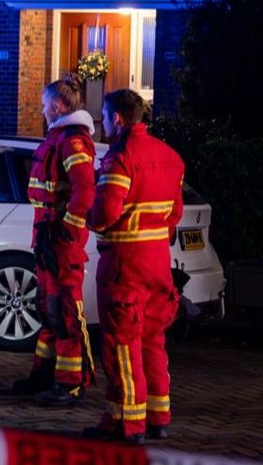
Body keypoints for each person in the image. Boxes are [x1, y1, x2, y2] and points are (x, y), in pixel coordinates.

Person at [83, 90, 184, 444]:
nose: (103, 123)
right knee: (152, 340)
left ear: (119, 119)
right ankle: (159, 417)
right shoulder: (170, 156)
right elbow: (174, 214)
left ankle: (127, 423)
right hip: (158, 263)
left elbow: (105, 214)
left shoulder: (120, 159)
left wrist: (87, 216)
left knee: (122, 344)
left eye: (106, 116)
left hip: (124, 266)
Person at [10, 75, 99, 406]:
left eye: (46, 103)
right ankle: (43, 375)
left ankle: (71, 383)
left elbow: (85, 189)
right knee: (47, 308)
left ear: (59, 105)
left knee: (64, 310)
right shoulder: (58, 137)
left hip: (61, 240)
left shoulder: (73, 141)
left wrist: (68, 230)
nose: (42, 108)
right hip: (48, 235)